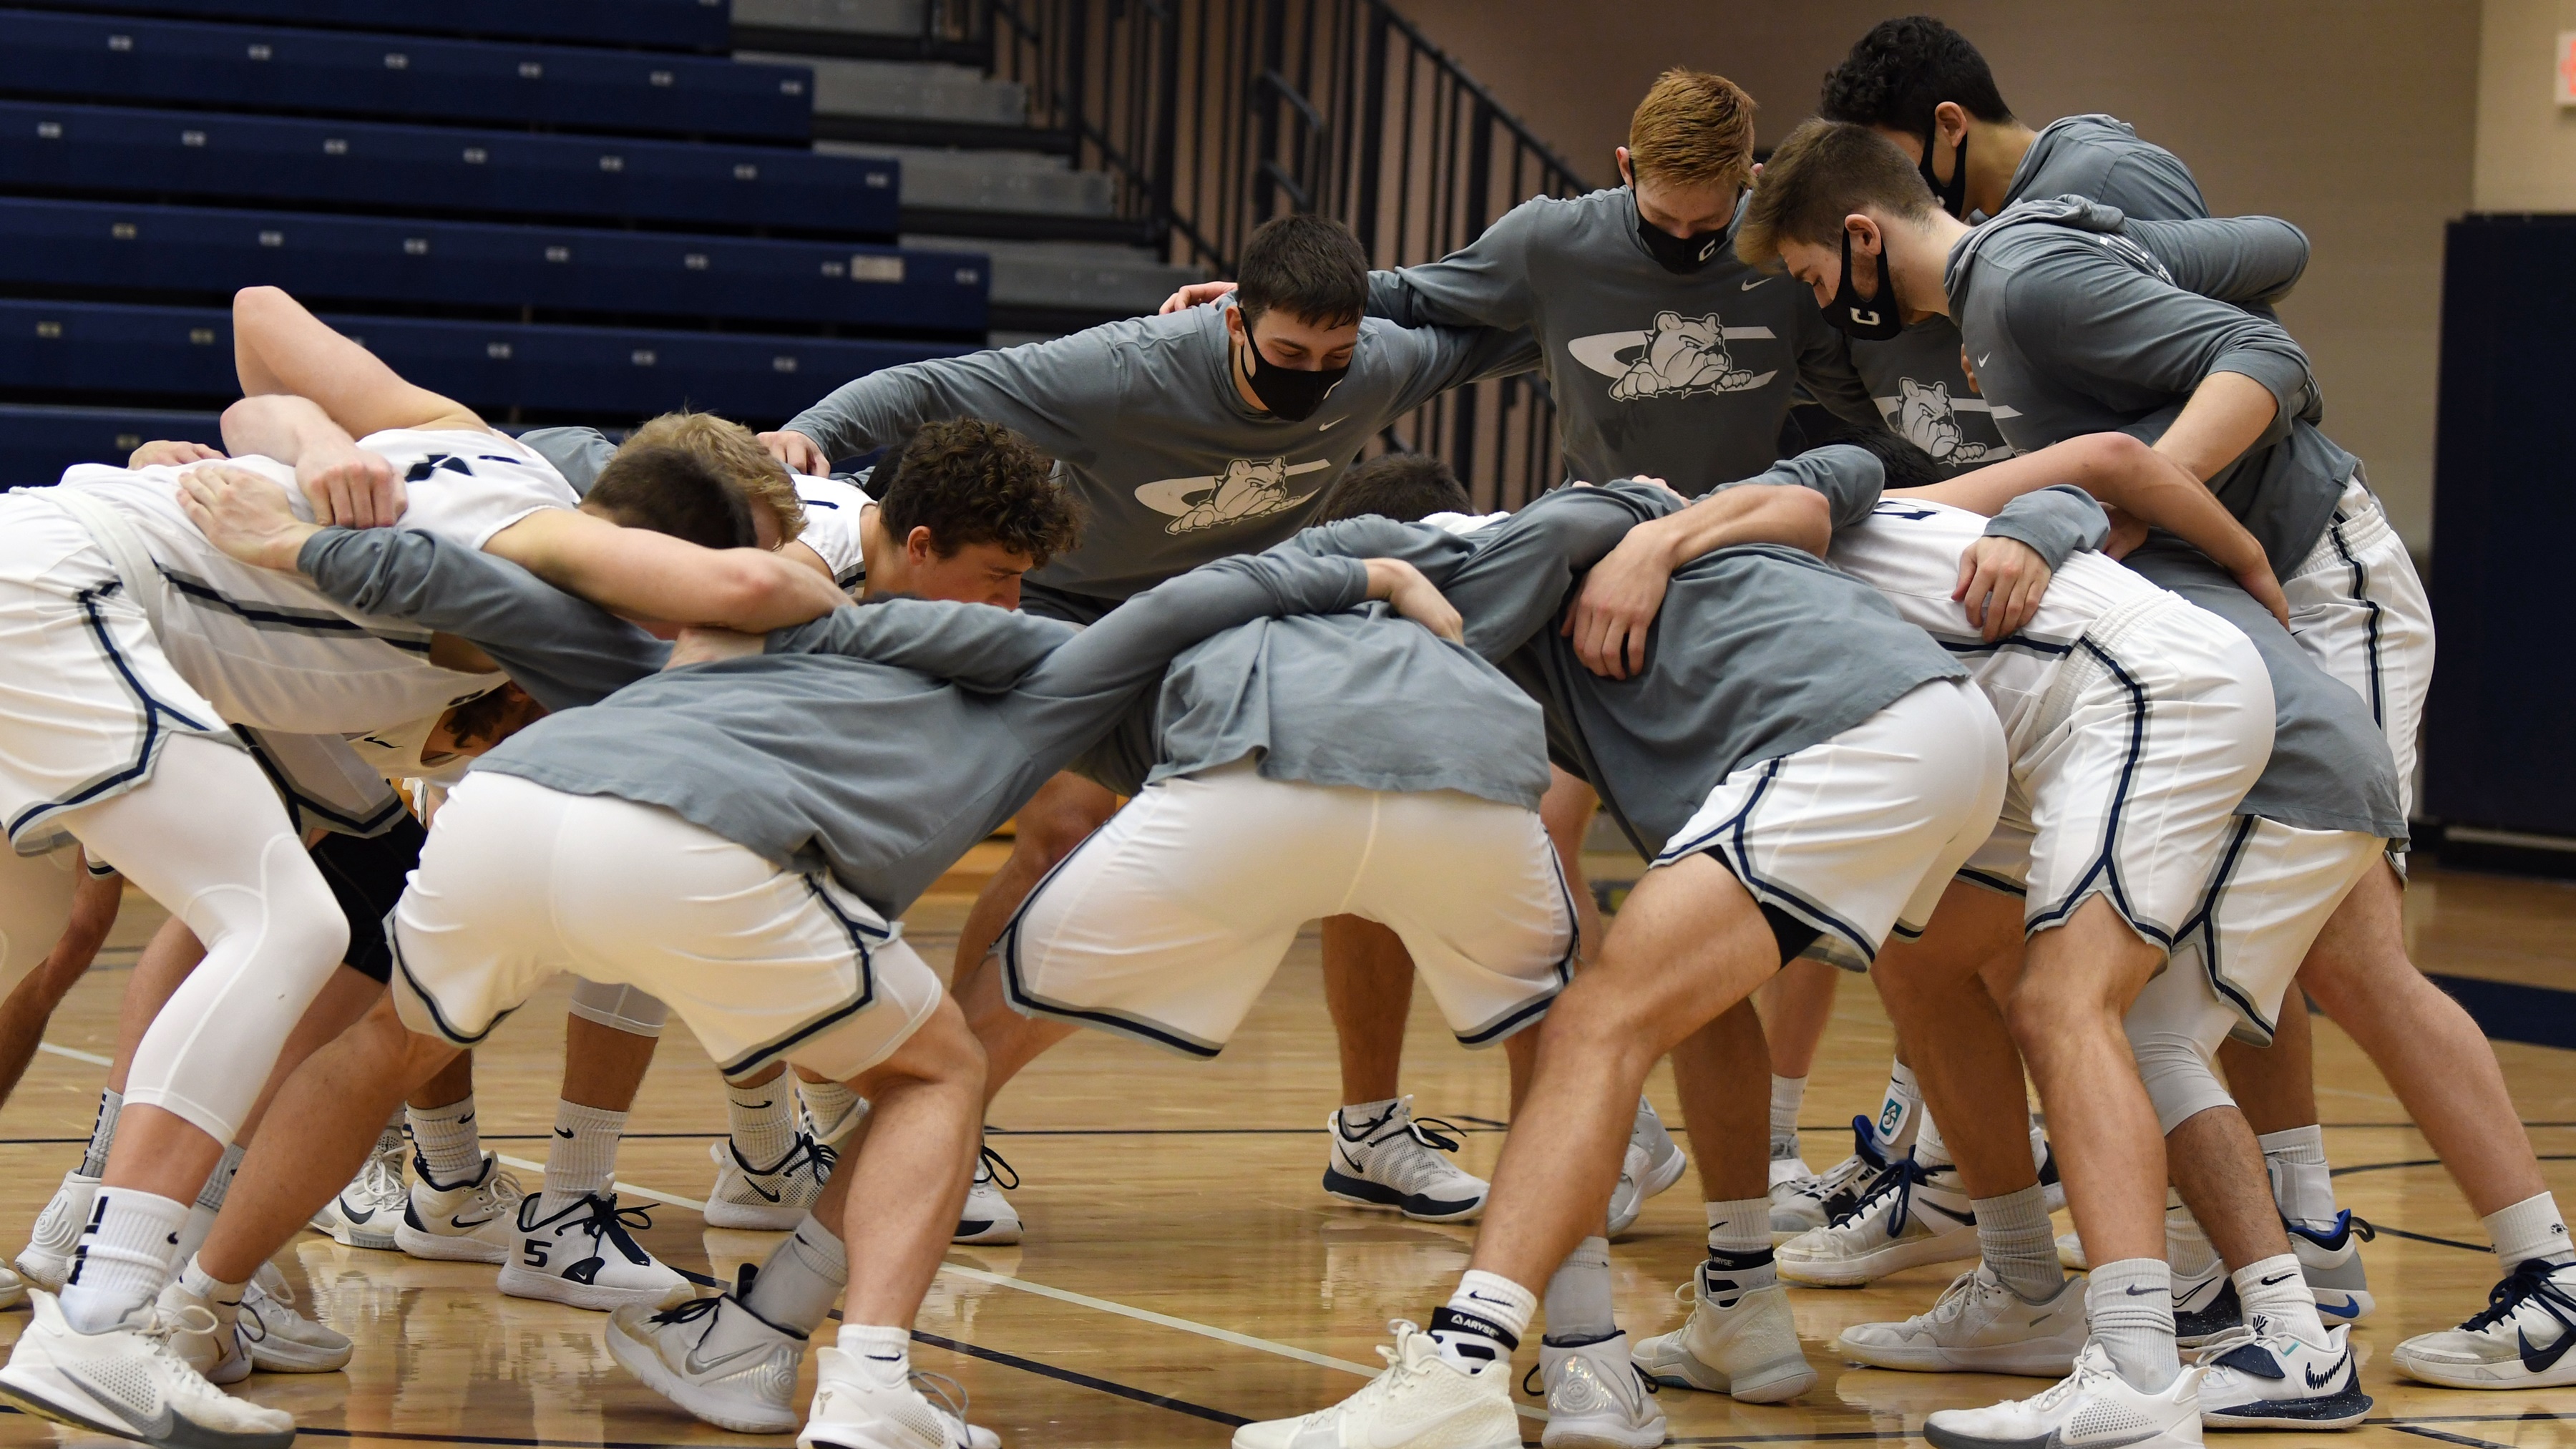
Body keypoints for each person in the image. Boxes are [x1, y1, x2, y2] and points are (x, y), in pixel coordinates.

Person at [84, 455, 1448, 1449]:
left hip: (515, 805)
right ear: (924, 551)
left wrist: (294, 543)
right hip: (698, 844)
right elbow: (1209, 593)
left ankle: (192, 1311)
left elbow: (491, 583)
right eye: (1005, 575)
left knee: (395, 1040)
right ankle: (864, 1388)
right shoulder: (1045, 660)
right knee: (938, 1072)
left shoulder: (752, 620)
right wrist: (1380, 566)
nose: (1015, 596)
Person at [1741, 117, 2568, 1396]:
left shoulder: (2020, 278)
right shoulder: (2006, 289)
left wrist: (2153, 502)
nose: (1819, 305)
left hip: (2313, 581)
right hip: (2217, 627)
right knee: (2197, 974)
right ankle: (2302, 1265)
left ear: (1859, 234)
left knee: (2301, 971)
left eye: (1807, 277)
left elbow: (2264, 349)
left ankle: (2319, 1286)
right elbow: (2242, 274)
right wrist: (2127, 499)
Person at [763, 213, 1537, 1236]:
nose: (1315, 374)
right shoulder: (1127, 371)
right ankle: (947, 1123)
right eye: (1289, 353)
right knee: (1062, 830)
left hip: (1220, 609)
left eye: (1333, 357)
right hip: (1065, 609)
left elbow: (1523, 322)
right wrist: (811, 428)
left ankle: (1370, 1127)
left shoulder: (1379, 361)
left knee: (1366, 794)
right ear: (1233, 323)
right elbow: (935, 385)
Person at [1232, 461, 2004, 1448]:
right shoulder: (1592, 610)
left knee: (1595, 1022)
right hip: (1942, 730)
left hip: (1857, 734)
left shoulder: (1467, 558)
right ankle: (1744, 1306)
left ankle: (1467, 1365)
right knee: (1685, 995)